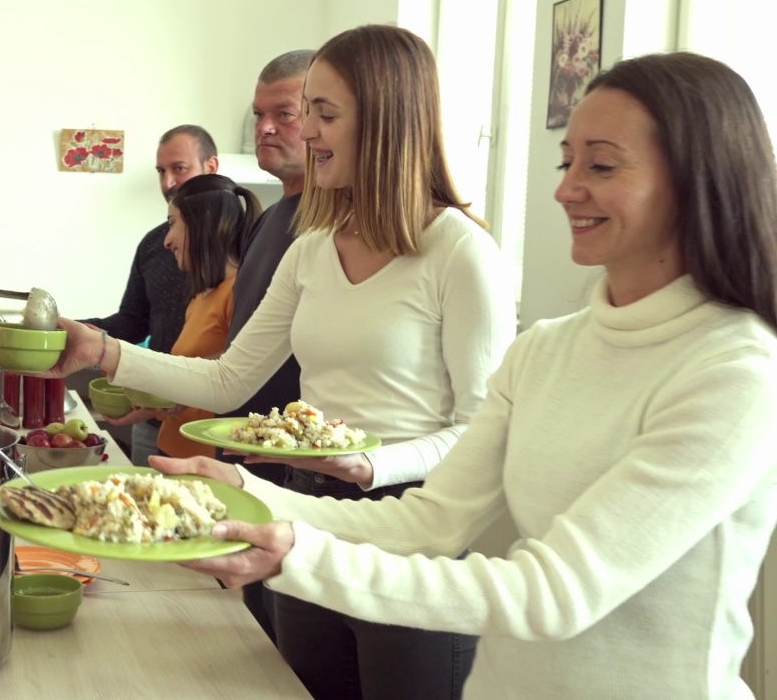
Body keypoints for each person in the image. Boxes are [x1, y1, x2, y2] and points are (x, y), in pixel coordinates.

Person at [157, 50, 777, 700]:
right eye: (567, 163)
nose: (565, 189)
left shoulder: (736, 371)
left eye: (601, 165)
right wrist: (239, 490)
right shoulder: (546, 351)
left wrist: (294, 554)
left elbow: (555, 592)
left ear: (697, 180)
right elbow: (428, 521)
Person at [47, 26, 517, 699]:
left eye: (325, 114)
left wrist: (372, 464)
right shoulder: (312, 248)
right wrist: (103, 352)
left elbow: (480, 431)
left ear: (385, 120)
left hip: (414, 534)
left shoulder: (460, 254)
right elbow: (229, 379)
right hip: (304, 516)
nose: (308, 134)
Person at [221, 48, 313, 642]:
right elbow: (236, 365)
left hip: (302, 474)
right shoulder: (271, 219)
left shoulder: (331, 225)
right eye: (258, 115)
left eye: (285, 113)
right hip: (242, 459)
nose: (266, 129)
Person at [78, 124, 217, 466]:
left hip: (212, 428)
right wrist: (73, 330)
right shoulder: (154, 244)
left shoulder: (245, 248)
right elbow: (132, 322)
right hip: (151, 418)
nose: (168, 183)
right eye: (161, 171)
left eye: (179, 169)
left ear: (211, 168)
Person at [102, 174, 260, 458]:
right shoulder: (201, 296)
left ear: (202, 226)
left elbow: (234, 373)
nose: (166, 241)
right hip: (172, 450)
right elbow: (188, 381)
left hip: (206, 461)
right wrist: (148, 407)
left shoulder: (238, 294)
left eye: (173, 223)